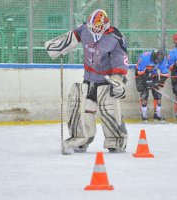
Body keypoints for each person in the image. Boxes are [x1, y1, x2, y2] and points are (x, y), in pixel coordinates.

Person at [45, 9, 129, 154]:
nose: (94, 30)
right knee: (81, 110)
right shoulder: (85, 29)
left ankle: (116, 141)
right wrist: (57, 47)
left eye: (97, 27)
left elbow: (121, 60)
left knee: (110, 110)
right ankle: (80, 139)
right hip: (89, 80)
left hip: (107, 82)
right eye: (92, 27)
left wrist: (118, 79)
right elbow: (72, 36)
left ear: (104, 24)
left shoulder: (115, 37)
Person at [135, 50, 168, 123]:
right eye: (155, 61)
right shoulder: (144, 57)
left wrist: (160, 83)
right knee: (144, 95)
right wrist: (147, 82)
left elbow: (164, 74)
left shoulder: (163, 59)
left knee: (158, 95)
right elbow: (140, 72)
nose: (157, 63)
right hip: (141, 74)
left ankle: (157, 114)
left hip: (153, 74)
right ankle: (144, 115)